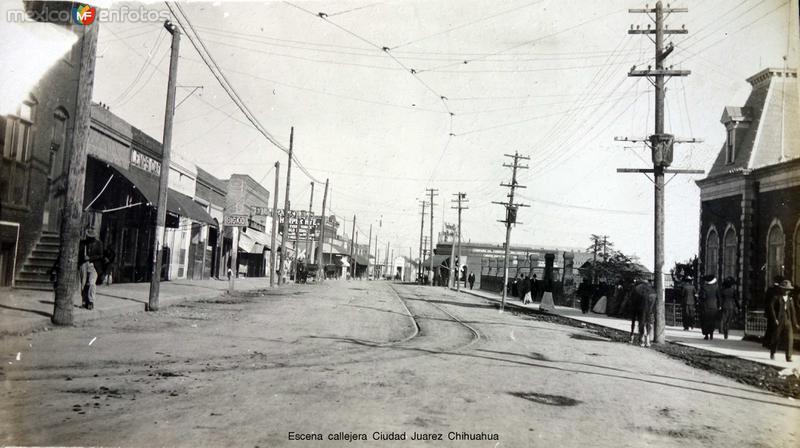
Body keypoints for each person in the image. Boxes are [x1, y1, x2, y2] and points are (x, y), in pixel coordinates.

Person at [767, 280, 798, 362]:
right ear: (781, 289)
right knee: (776, 337)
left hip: (787, 320)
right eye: (785, 289)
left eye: (788, 289)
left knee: (789, 338)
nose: (787, 291)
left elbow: (793, 311)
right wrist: (774, 319)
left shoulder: (790, 299)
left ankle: (788, 356)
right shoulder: (776, 297)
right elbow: (771, 308)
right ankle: (772, 352)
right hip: (779, 320)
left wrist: (795, 323)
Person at [78, 228, 103, 310]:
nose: (90, 238)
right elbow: (78, 254)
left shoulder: (99, 243)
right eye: (89, 236)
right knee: (83, 284)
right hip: (84, 265)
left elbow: (100, 255)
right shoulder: (82, 243)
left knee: (92, 283)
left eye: (91, 237)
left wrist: (90, 258)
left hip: (94, 265)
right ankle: (84, 301)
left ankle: (91, 301)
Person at [698, 275, 721, 340]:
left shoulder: (704, 287)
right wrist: (719, 306)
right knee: (712, 321)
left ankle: (706, 335)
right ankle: (711, 334)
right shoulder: (716, 287)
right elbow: (719, 297)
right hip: (714, 307)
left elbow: (702, 297)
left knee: (705, 321)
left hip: (705, 306)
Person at [763, 276, 784, 348]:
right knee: (775, 328)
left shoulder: (770, 289)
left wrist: (766, 311)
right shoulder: (780, 290)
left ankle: (766, 342)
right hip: (777, 311)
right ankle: (771, 343)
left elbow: (766, 301)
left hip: (770, 311)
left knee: (769, 327)